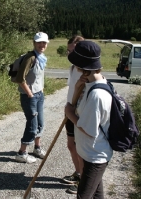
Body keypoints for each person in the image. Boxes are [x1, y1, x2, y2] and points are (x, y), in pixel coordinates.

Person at [65, 40, 113, 199]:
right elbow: (78, 108)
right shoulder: (89, 85)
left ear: (82, 67)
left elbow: (89, 129)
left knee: (83, 196)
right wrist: (77, 91)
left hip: (95, 158)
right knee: (97, 196)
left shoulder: (97, 95)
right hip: (89, 154)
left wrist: (69, 112)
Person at [15, 32, 49, 163]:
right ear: (34, 43)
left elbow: (38, 77)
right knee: (32, 125)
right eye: (39, 42)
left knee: (40, 123)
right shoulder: (30, 58)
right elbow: (20, 78)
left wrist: (41, 89)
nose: (42, 45)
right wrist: (29, 94)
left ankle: (37, 148)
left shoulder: (41, 57)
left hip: (38, 94)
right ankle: (22, 153)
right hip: (30, 96)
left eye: (44, 42)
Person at [60, 36, 86, 194]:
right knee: (71, 146)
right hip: (69, 111)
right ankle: (78, 174)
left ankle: (84, 181)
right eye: (69, 51)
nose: (70, 55)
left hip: (80, 114)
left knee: (82, 149)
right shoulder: (73, 68)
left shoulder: (87, 71)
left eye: (74, 51)